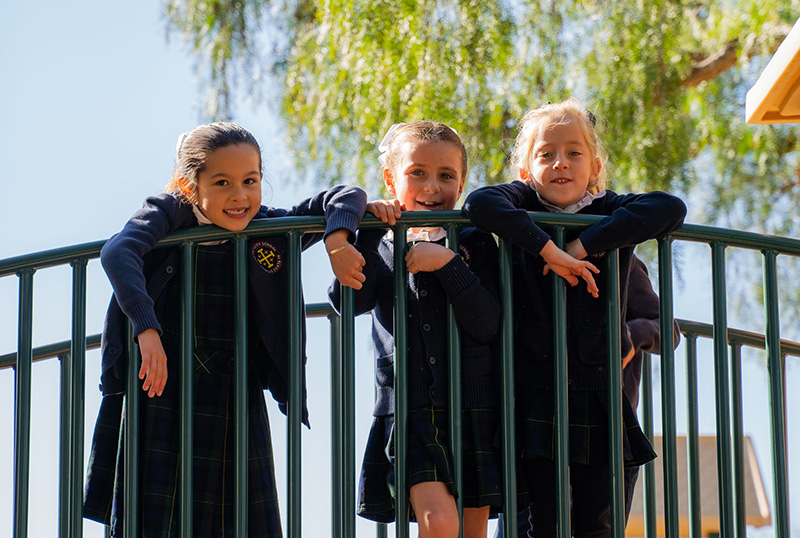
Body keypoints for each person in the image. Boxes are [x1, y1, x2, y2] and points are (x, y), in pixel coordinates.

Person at [83, 122, 368, 537]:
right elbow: (119, 250)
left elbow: (346, 195)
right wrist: (147, 330)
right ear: (188, 184)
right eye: (222, 182)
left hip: (234, 395)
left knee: (240, 521)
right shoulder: (169, 214)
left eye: (251, 181)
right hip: (162, 391)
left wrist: (337, 240)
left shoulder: (267, 228)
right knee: (151, 522)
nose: (240, 196)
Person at [463, 98, 686, 537]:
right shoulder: (520, 207)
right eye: (545, 154)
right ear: (526, 171)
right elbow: (481, 202)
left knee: (597, 525)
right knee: (540, 523)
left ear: (595, 168)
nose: (560, 163)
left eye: (574, 152)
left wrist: (584, 248)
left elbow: (669, 208)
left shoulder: (613, 217)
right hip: (535, 399)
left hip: (602, 400)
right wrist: (549, 250)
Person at [329, 121, 503, 538]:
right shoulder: (381, 240)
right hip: (409, 407)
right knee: (438, 522)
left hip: (475, 404)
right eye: (417, 173)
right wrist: (365, 233)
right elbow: (348, 301)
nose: (432, 186)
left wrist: (448, 264)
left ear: (461, 185)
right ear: (391, 178)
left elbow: (488, 323)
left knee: (471, 531)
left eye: (446, 176)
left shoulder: (474, 240)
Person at [492, 254, 682, 537]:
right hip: (536, 432)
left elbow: (668, 330)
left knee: (598, 529)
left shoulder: (620, 259)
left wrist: (630, 334)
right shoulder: (527, 255)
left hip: (604, 433)